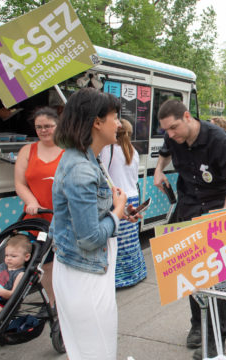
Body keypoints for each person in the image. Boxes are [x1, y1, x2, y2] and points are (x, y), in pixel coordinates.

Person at [153, 99, 226, 360]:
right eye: (166, 131)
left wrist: (223, 221)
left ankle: (217, 339)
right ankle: (198, 324)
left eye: (173, 128)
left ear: (187, 116)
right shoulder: (173, 137)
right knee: (192, 274)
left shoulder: (217, 139)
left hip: (218, 208)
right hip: (189, 207)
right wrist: (158, 171)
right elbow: (164, 152)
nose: (170, 135)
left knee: (217, 276)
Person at [50, 88, 138, 360]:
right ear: (96, 122)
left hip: (87, 271)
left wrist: (116, 210)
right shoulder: (81, 168)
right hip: (84, 275)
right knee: (97, 352)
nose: (120, 124)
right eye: (115, 116)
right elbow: (89, 238)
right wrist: (116, 213)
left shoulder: (90, 159)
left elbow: (86, 217)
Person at [14, 107, 63, 308]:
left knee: (63, 265)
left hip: (62, 218)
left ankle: (64, 304)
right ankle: (53, 304)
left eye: (48, 126)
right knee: (45, 265)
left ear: (58, 126)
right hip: (37, 219)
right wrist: (32, 202)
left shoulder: (69, 149)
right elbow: (19, 183)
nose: (43, 131)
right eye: (39, 127)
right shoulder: (27, 150)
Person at [100, 119, 147, 288]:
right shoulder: (132, 150)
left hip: (118, 199)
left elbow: (103, 174)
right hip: (132, 197)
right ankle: (135, 273)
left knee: (116, 242)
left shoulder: (108, 149)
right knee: (131, 240)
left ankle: (118, 279)